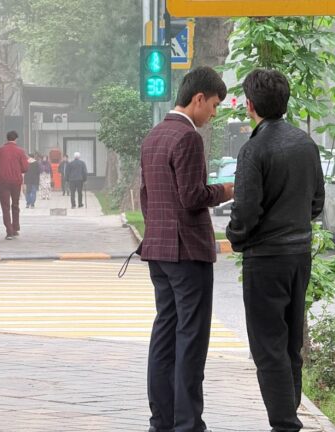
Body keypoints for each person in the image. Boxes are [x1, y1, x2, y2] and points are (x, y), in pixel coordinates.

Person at [226, 69, 324, 432]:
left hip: (265, 259)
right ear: (285, 102)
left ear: (250, 105)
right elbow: (317, 203)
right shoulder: (305, 143)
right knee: (289, 343)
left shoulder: (253, 149)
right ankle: (290, 414)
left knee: (268, 347)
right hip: (299, 255)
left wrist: (236, 237)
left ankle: (285, 424)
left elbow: (246, 211)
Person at [138, 66, 233, 432]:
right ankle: (189, 424)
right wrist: (226, 190)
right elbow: (193, 196)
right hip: (188, 252)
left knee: (164, 335)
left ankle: (161, 422)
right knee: (191, 341)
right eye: (213, 105)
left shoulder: (154, 135)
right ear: (197, 99)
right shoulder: (188, 138)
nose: (213, 113)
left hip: (158, 251)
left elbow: (148, 198)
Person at [0, 130, 29, 240]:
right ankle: (15, 228)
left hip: (3, 182)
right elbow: (25, 168)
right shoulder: (20, 151)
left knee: (5, 207)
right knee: (15, 205)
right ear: (16, 139)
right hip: (16, 182)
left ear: (7, 138)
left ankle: (9, 231)